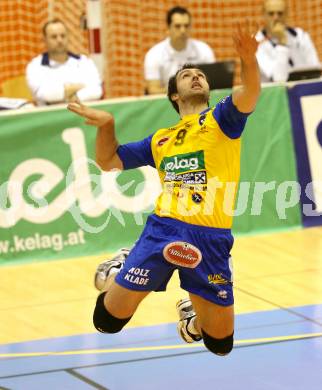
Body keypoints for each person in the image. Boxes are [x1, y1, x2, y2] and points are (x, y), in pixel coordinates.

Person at [68, 21, 261, 356]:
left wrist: (248, 59)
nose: (196, 76)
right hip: (164, 229)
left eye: (200, 74)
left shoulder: (221, 119)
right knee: (107, 321)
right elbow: (108, 161)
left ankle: (192, 317)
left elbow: (251, 92)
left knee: (220, 344)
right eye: (187, 76)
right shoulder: (161, 139)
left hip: (211, 237)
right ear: (174, 94)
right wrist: (107, 125)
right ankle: (123, 266)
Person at [26, 19, 103, 105]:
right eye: (54, 37)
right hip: (50, 116)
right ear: (44, 40)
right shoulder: (35, 66)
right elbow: (42, 95)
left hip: (83, 114)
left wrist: (68, 96)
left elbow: (96, 91)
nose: (59, 40)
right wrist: (77, 87)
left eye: (63, 36)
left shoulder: (84, 62)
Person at [144, 6, 215, 95]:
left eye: (186, 26)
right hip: (168, 102)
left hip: (198, 100)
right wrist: (182, 91)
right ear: (168, 29)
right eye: (177, 26)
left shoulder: (204, 50)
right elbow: (153, 90)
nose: (183, 30)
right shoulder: (154, 54)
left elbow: (212, 84)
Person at [256, 0, 320, 82]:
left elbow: (315, 69)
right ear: (263, 14)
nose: (276, 18)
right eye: (271, 14)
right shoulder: (256, 43)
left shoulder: (300, 35)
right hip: (275, 92)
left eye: (280, 13)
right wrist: (282, 43)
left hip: (303, 88)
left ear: (286, 14)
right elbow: (279, 79)